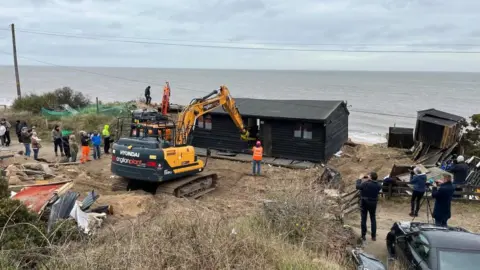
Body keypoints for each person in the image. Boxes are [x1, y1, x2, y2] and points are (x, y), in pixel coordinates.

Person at [356, 172, 382, 241]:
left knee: (363, 218)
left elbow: (357, 186)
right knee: (373, 218)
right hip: (373, 202)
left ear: (370, 177)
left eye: (369, 176)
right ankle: (373, 236)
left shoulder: (365, 184)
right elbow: (375, 184)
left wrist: (359, 179)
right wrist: (370, 179)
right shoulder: (379, 185)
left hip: (364, 202)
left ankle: (363, 235)